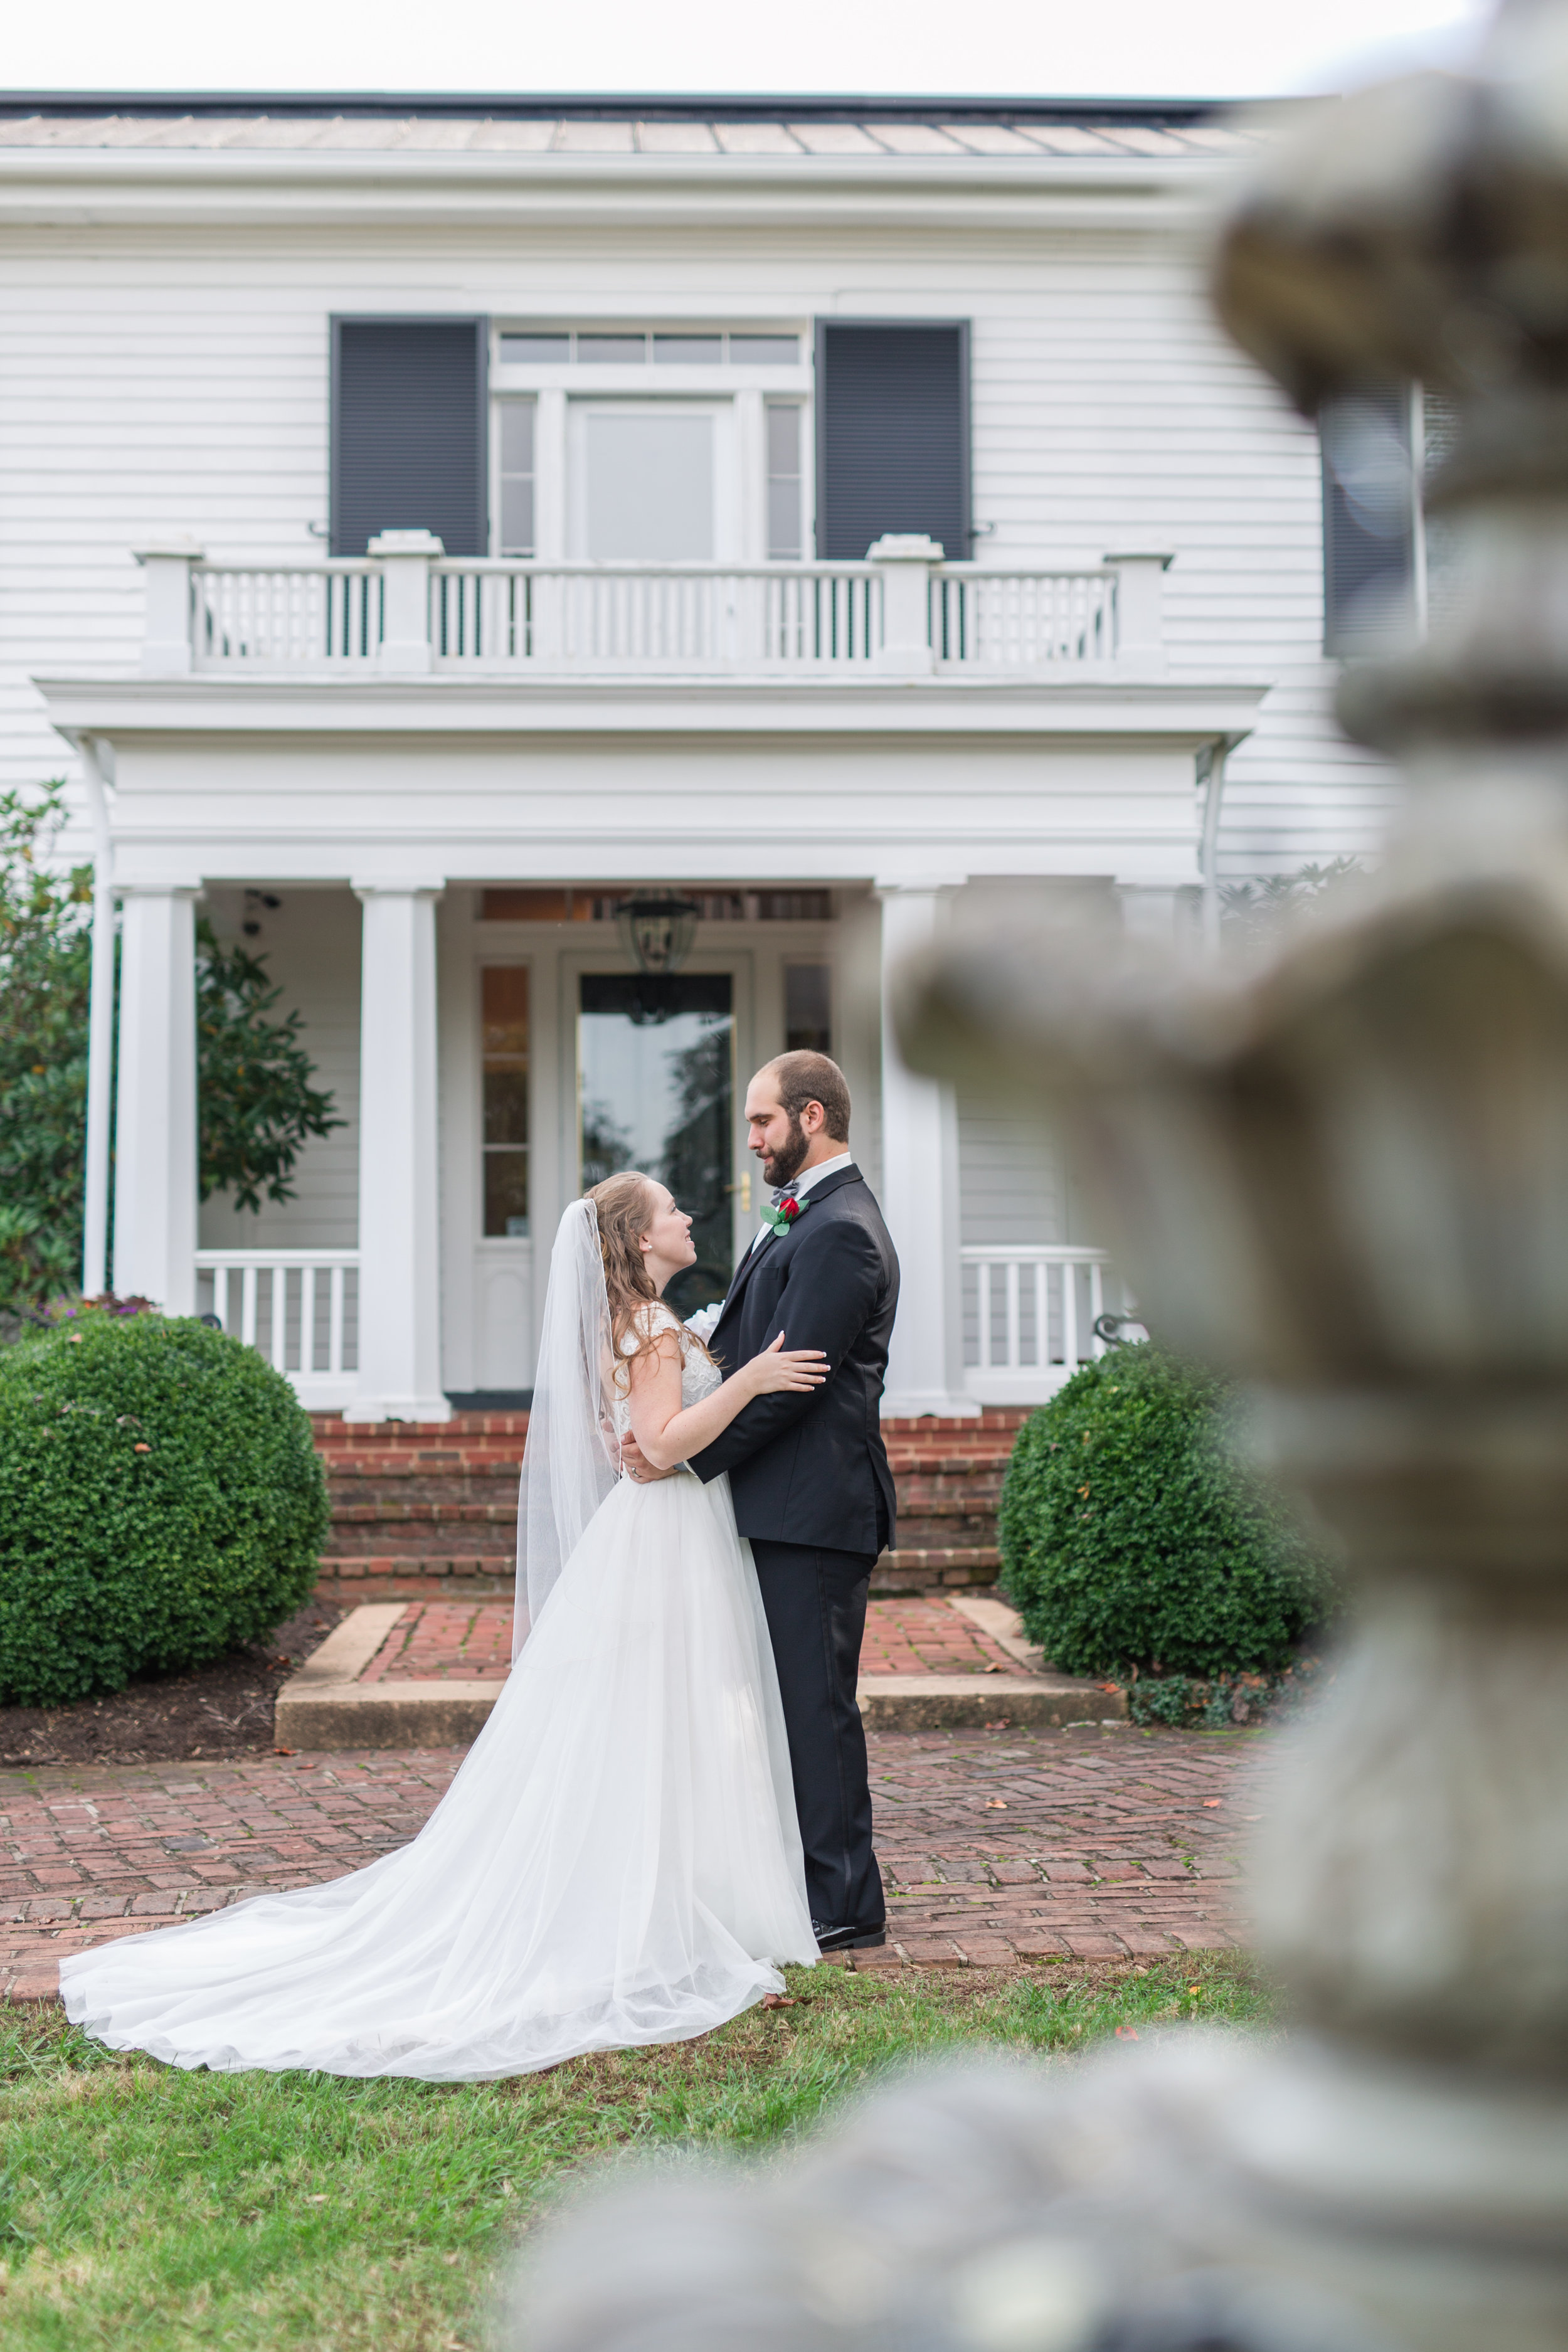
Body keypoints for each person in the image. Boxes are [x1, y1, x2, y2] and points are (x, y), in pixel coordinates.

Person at [58, 1178, 825, 2079]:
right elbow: (657, 1444)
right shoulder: (652, 1328)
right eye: (670, 1210)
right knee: (658, 1717)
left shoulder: (650, 1320)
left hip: (659, 1534)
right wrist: (756, 1381)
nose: (687, 1217)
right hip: (664, 1540)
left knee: (646, 1721)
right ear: (637, 1237)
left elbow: (641, 1437)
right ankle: (662, 1905)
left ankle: (675, 1890)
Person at [622, 1052, 899, 1954]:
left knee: (818, 1707)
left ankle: (846, 1901)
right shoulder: (803, 1217)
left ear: (811, 1116)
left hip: (815, 1507)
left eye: (762, 1122)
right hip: (777, 1504)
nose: (751, 1141)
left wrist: (679, 1460)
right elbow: (748, 1349)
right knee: (789, 1705)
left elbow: (791, 1387)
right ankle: (810, 1881)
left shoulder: (842, 1230)